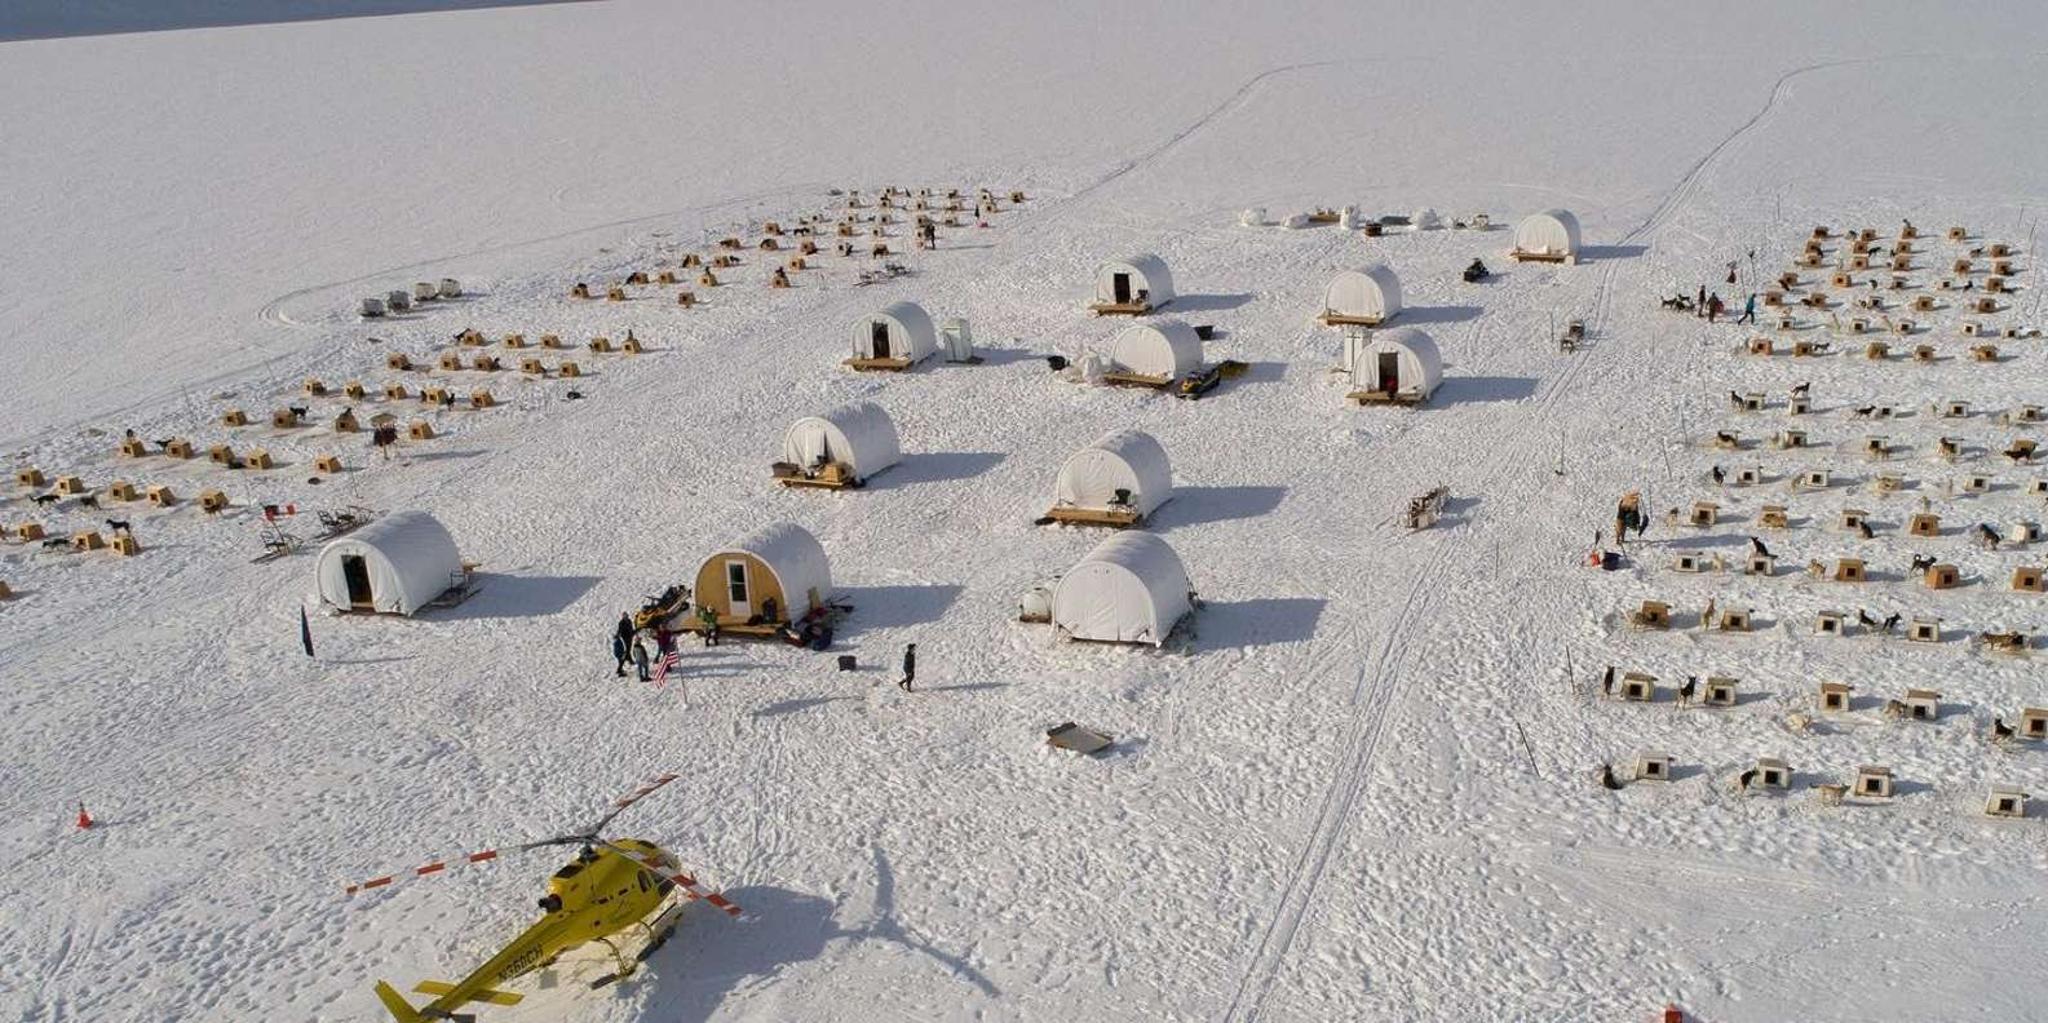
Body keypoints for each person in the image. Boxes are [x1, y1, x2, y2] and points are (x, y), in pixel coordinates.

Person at [612, 613, 636, 678]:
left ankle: (629, 659)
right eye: (625, 616)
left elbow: (631, 628)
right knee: (626, 650)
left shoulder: (629, 621)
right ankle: (621, 667)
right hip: (625, 637)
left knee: (629, 648)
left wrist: (632, 632)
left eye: (627, 616)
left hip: (630, 637)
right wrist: (619, 634)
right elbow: (620, 630)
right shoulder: (621, 623)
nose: (626, 617)